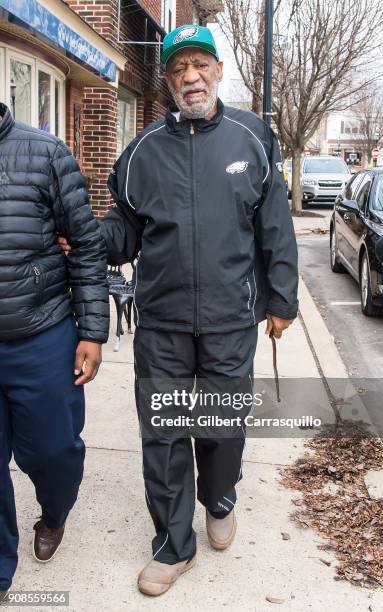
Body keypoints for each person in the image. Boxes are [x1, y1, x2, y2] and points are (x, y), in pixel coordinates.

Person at [60, 24, 299, 597]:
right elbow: (126, 231)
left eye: (199, 64)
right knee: (165, 433)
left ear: (218, 70)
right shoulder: (142, 151)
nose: (190, 76)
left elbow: (275, 228)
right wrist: (89, 236)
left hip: (230, 317)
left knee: (220, 427)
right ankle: (172, 543)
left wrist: (282, 297)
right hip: (163, 321)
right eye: (178, 68)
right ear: (166, 79)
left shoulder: (252, 138)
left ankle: (219, 497)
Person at [0, 102, 109, 600]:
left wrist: (92, 331)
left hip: (40, 332)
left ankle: (55, 511)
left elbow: (87, 243)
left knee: (51, 451)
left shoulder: (44, 153)